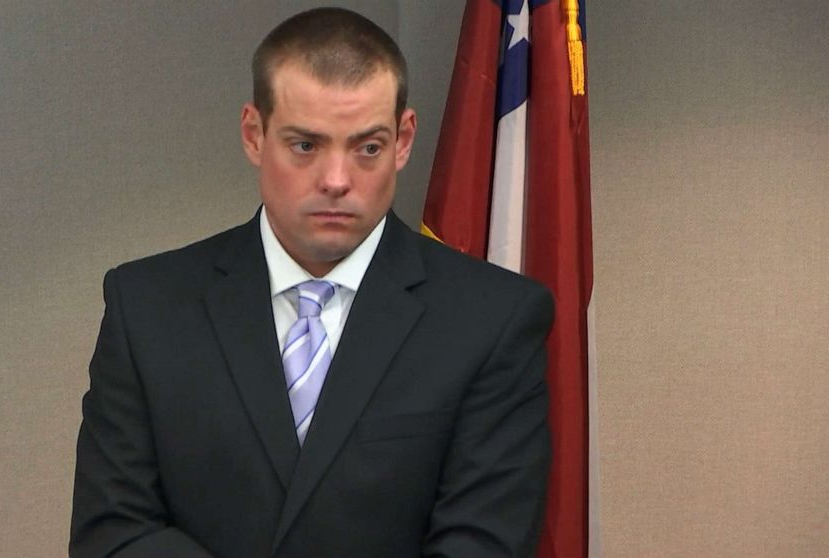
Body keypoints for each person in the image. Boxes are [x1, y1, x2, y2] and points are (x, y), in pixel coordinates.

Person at [70, 7, 553, 558]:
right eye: (305, 146)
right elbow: (112, 532)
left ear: (403, 140)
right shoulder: (147, 306)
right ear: (255, 134)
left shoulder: (493, 318)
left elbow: (484, 541)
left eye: (367, 147)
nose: (336, 181)